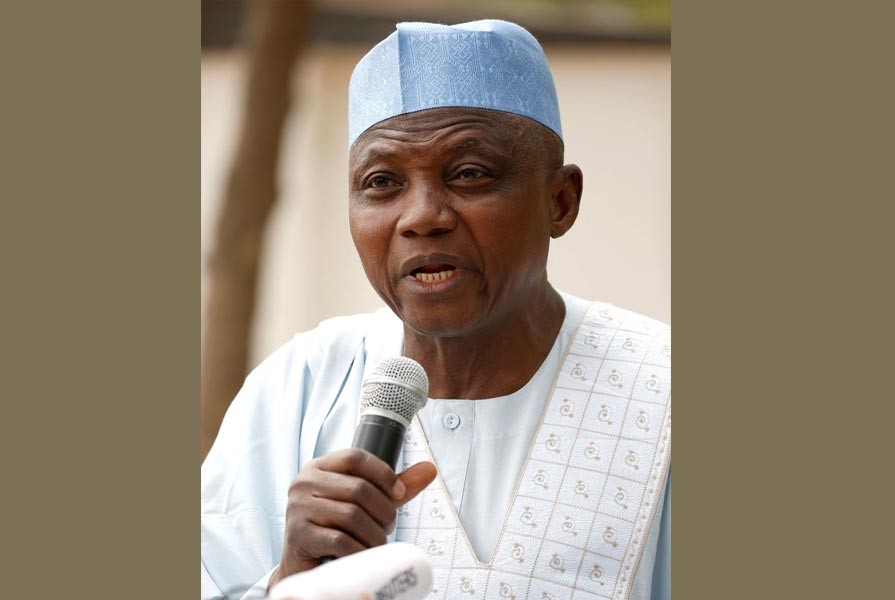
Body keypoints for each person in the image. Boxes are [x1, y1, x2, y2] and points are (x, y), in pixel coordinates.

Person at [201, 19, 670, 600]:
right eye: (380, 182)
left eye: (469, 173)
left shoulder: (664, 387)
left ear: (560, 200)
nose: (422, 216)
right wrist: (290, 582)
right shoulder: (297, 387)